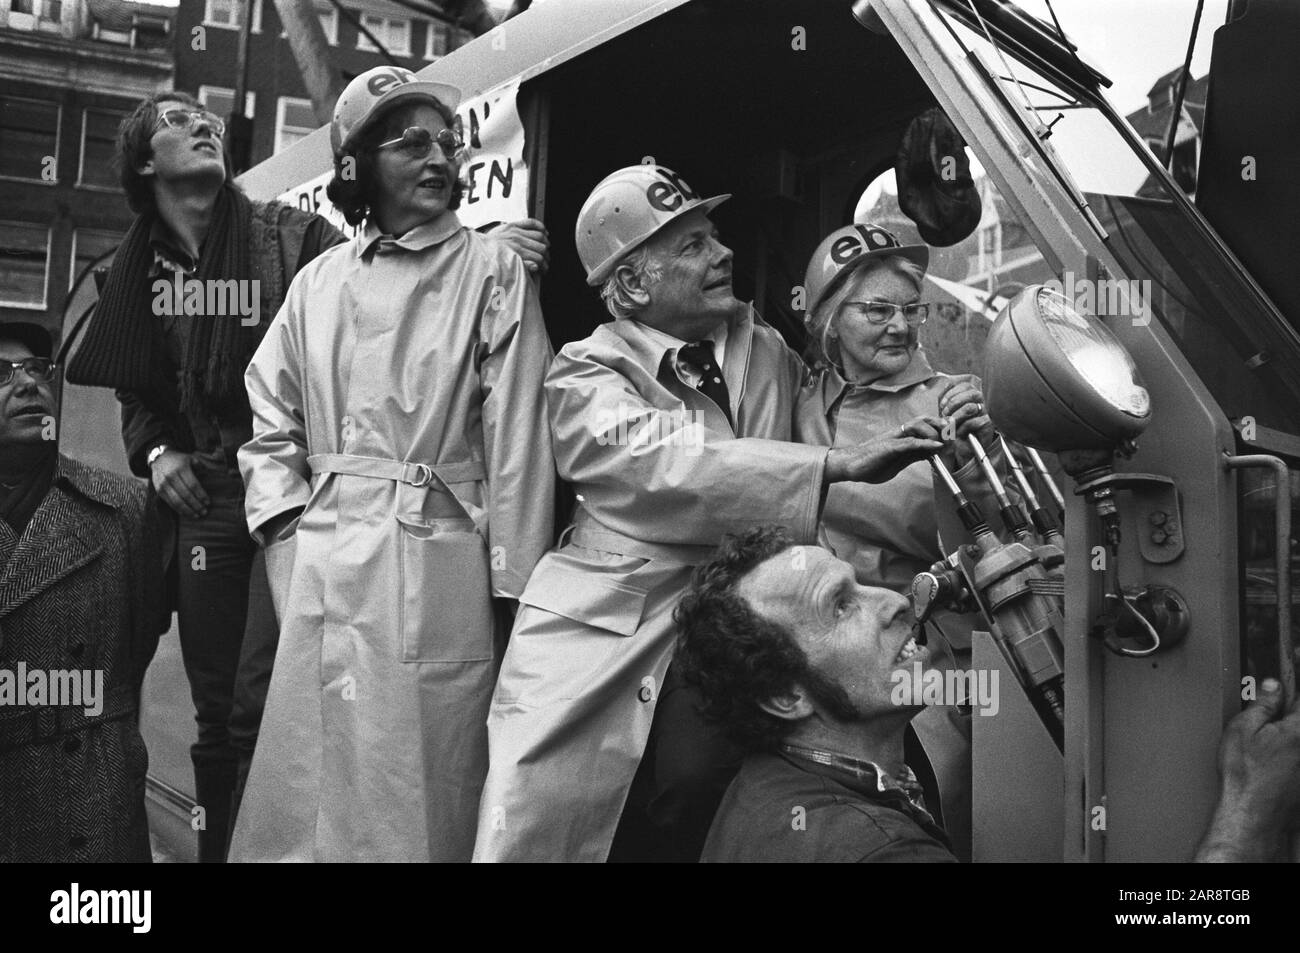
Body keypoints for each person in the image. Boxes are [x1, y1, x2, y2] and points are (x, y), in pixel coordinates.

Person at [65, 88, 549, 861]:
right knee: (236, 710)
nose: (206, 128)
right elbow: (140, 381)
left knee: (367, 725)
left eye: (209, 120)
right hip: (227, 501)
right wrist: (164, 459)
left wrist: (511, 587)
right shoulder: (135, 269)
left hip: (363, 516)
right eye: (180, 125)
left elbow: (391, 260)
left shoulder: (290, 239)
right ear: (146, 163)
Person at [473, 165, 947, 863]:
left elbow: (850, 402)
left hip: (743, 612)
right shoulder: (584, 372)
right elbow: (667, 462)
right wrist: (827, 468)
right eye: (691, 245)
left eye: (713, 235)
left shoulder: (768, 350)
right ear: (633, 284)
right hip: (612, 623)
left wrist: (943, 405)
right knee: (548, 812)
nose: (723, 253)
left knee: (882, 758)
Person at [227, 66, 556, 863]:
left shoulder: (491, 271)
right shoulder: (316, 283)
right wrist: (283, 537)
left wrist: (516, 592)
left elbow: (519, 439)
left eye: (447, 141)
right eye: (411, 141)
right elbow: (270, 416)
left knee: (419, 784)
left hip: (437, 559)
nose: (439, 156)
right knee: (309, 781)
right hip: (323, 562)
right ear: (358, 164)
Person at [676, 526, 1300, 863]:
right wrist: (1244, 826)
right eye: (840, 607)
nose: (895, 602)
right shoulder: (874, 850)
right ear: (786, 697)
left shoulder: (768, 789)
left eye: (859, 584)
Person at [795, 222, 1007, 859]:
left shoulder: (956, 404)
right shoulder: (798, 397)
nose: (900, 326)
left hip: (926, 652)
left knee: (949, 809)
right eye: (877, 310)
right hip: (817, 652)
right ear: (830, 320)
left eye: (910, 310)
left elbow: (998, 538)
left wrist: (982, 456)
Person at [0, 322, 166, 862]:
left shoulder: (124, 510)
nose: (28, 384)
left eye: (37, 370)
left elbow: (138, 642)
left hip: (92, 800)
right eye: (2, 374)